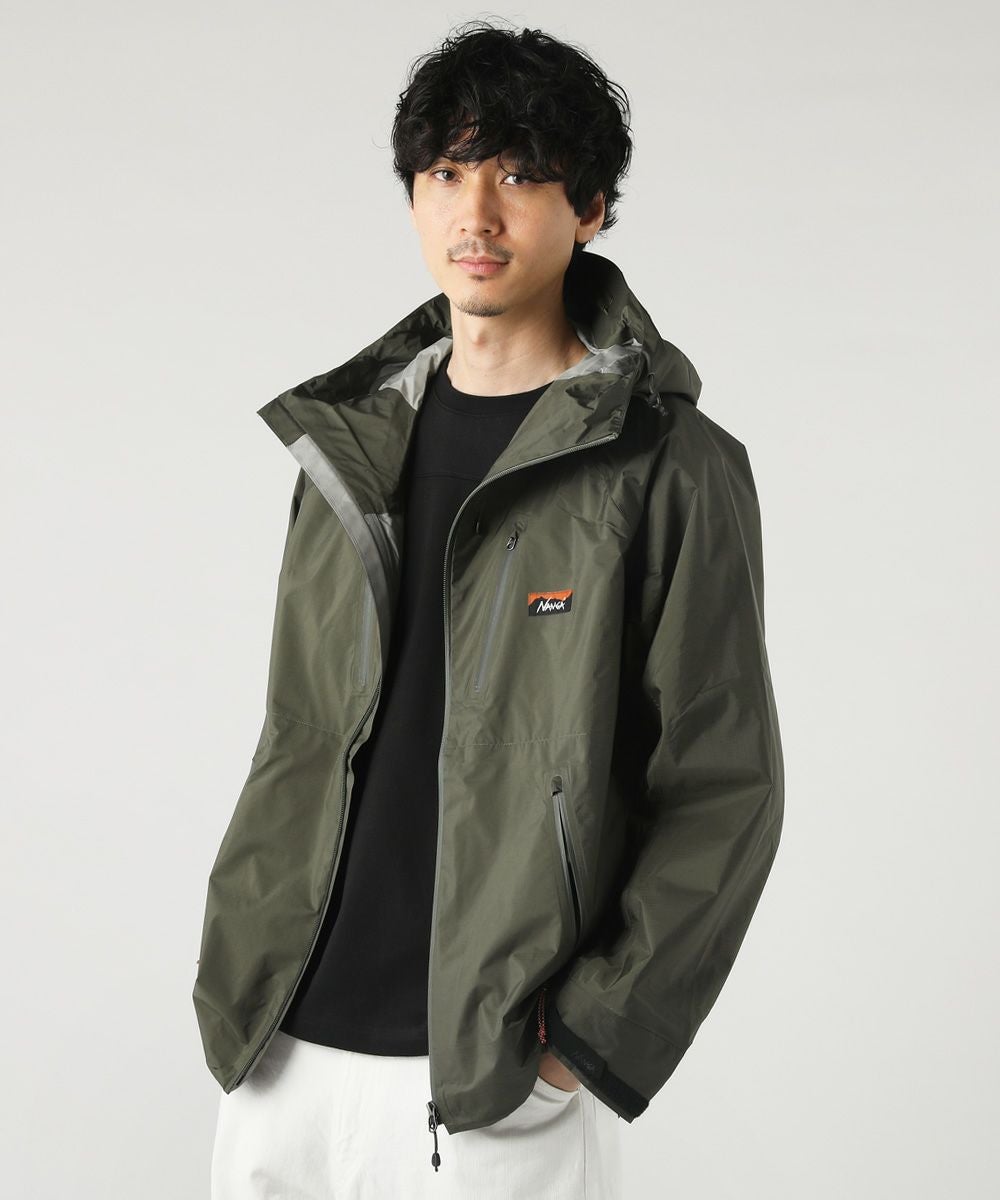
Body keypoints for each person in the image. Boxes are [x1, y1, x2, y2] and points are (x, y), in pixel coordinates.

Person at [193, 19, 784, 1199]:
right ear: (413, 196)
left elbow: (723, 787)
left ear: (591, 208)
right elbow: (303, 736)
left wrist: (583, 1045)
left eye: (518, 174)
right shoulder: (343, 453)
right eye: (445, 173)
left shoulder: (670, 466)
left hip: (493, 1077)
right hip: (280, 1049)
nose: (476, 212)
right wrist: (241, 963)